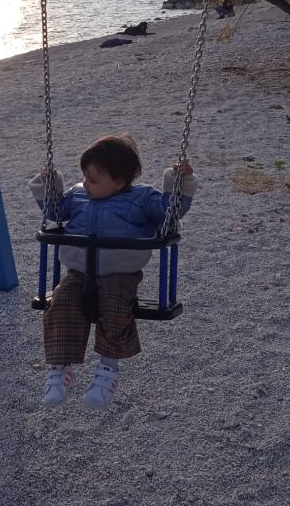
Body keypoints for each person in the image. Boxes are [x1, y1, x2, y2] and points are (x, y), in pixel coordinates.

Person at [28, 134, 197, 410]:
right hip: (79, 271)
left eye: (93, 180)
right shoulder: (78, 195)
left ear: (119, 182)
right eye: (84, 177)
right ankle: (60, 369)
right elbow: (54, 210)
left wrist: (181, 182)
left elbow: (169, 212)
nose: (86, 183)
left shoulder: (142, 198)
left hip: (120, 273)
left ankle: (107, 371)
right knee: (61, 305)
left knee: (115, 306)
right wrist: (50, 184)